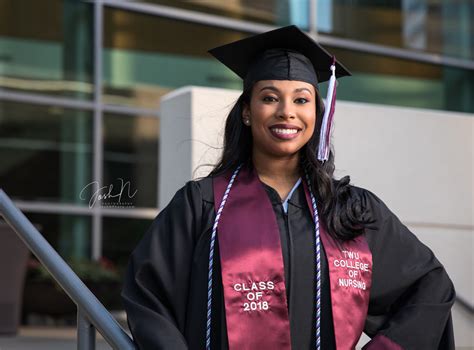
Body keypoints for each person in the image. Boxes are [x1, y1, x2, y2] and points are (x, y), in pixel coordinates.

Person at [121, 25, 455, 350]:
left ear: (316, 114)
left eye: (301, 100)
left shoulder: (351, 211)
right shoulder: (203, 205)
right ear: (247, 112)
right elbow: (148, 295)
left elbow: (429, 287)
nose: (287, 112)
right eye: (270, 98)